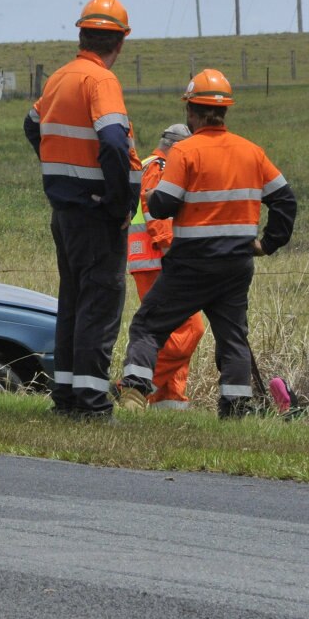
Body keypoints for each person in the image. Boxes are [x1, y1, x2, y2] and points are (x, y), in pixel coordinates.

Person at [118, 69, 297, 418]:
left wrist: (153, 195)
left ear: (191, 112)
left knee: (148, 325)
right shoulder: (252, 152)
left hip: (191, 264)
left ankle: (134, 392)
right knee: (233, 339)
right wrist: (267, 244)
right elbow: (286, 201)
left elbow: (163, 205)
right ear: (225, 111)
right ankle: (234, 409)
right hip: (236, 264)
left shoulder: (185, 152)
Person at [24, 0, 142, 420]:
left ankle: (68, 397)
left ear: (81, 34)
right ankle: (92, 404)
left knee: (73, 302)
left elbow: (31, 124)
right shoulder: (100, 81)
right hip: (96, 215)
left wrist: (61, 170)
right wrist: (115, 200)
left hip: (67, 212)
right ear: (120, 42)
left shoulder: (60, 77)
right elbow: (112, 140)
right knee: (100, 303)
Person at [118, 123, 206, 410]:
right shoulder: (162, 165)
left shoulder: (146, 164)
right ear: (178, 147)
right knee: (191, 329)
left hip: (150, 261)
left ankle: (169, 401)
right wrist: (173, 254)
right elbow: (156, 213)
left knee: (172, 331)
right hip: (159, 261)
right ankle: (130, 388)